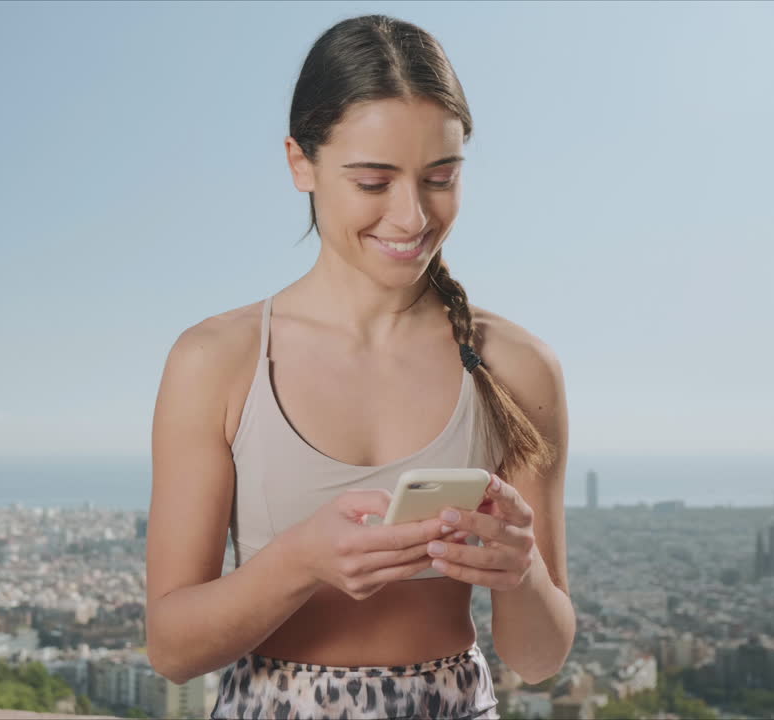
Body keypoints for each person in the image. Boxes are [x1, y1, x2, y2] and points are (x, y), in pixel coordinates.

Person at [145, 13, 575, 720]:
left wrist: (521, 570)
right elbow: (171, 649)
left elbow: (538, 659)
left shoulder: (518, 368)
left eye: (440, 178)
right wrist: (300, 562)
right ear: (300, 163)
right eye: (374, 182)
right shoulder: (216, 362)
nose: (411, 217)